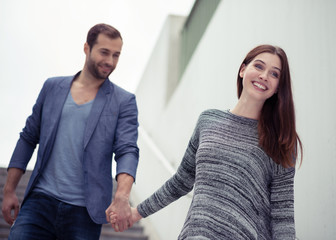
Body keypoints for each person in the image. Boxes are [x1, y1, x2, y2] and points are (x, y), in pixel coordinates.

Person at [110, 44, 303, 239]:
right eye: (259, 66)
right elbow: (181, 181)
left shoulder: (281, 139)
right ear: (243, 70)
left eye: (274, 74)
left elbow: (282, 214)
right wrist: (137, 212)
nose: (264, 76)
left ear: (278, 87)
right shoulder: (208, 120)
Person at [2, 23, 139, 239]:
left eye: (116, 55)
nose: (110, 62)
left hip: (84, 214)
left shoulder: (124, 102)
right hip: (39, 202)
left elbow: (127, 150)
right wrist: (10, 190)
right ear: (87, 48)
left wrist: (122, 195)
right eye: (104, 52)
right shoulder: (52, 88)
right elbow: (28, 137)